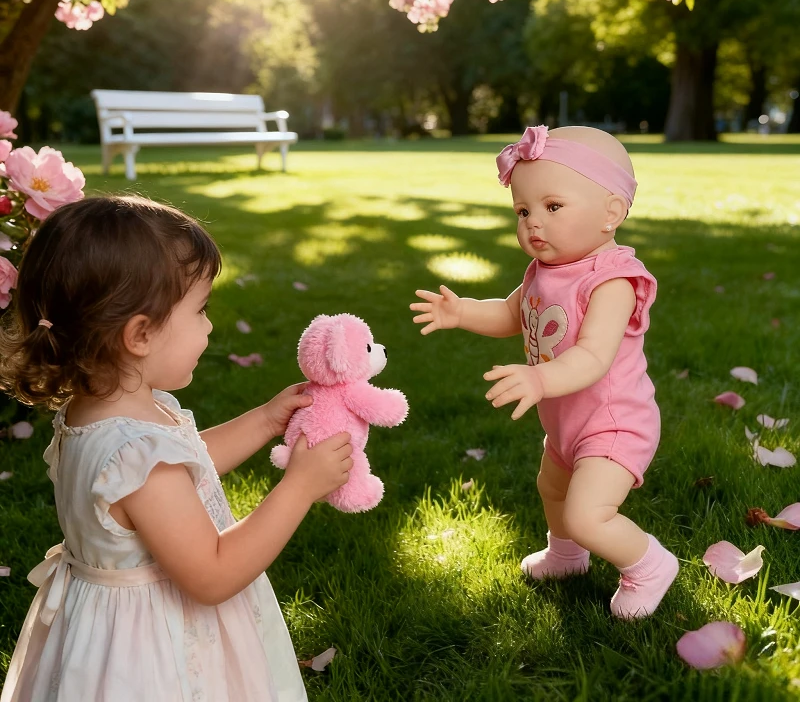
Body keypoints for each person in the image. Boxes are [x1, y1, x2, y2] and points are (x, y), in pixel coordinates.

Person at [0, 195, 353, 701]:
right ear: (140, 335)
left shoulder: (103, 413)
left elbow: (186, 464)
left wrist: (263, 420)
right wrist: (298, 488)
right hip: (154, 650)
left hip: (102, 631)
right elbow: (211, 573)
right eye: (200, 309)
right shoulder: (135, 450)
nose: (209, 325)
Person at [410, 125, 678, 619]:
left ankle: (650, 564)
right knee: (552, 489)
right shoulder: (544, 272)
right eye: (523, 210)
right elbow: (515, 314)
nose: (534, 223)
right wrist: (463, 311)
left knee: (587, 513)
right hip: (566, 421)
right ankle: (566, 557)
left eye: (553, 207)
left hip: (615, 422)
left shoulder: (612, 280)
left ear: (612, 213)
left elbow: (593, 357)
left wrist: (538, 378)